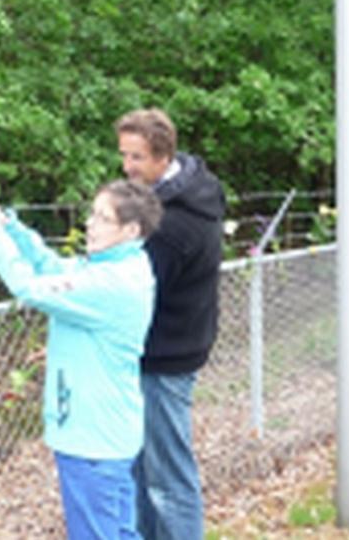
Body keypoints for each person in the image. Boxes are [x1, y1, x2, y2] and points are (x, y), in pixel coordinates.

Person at [0, 179, 162, 540]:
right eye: (92, 214)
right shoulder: (116, 264)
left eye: (103, 218)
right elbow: (50, 266)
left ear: (131, 230)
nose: (90, 224)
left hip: (94, 441)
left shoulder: (111, 282)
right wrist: (7, 224)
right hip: (102, 434)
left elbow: (30, 287)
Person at [115, 108, 226, 540]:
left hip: (166, 356)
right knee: (141, 468)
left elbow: (131, 294)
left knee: (167, 478)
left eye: (137, 158)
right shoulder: (189, 188)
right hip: (162, 349)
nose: (128, 168)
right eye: (125, 156)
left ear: (163, 157)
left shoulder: (174, 224)